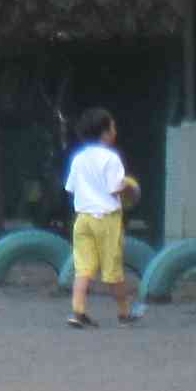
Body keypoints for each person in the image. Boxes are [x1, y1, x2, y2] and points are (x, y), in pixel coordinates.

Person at [65, 109, 140, 329]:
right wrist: (130, 187)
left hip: (82, 219)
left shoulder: (78, 158)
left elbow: (70, 188)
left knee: (83, 269)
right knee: (113, 270)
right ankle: (124, 313)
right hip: (107, 219)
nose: (115, 131)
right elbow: (114, 188)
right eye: (113, 127)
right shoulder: (111, 158)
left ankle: (78, 311)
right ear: (105, 133)